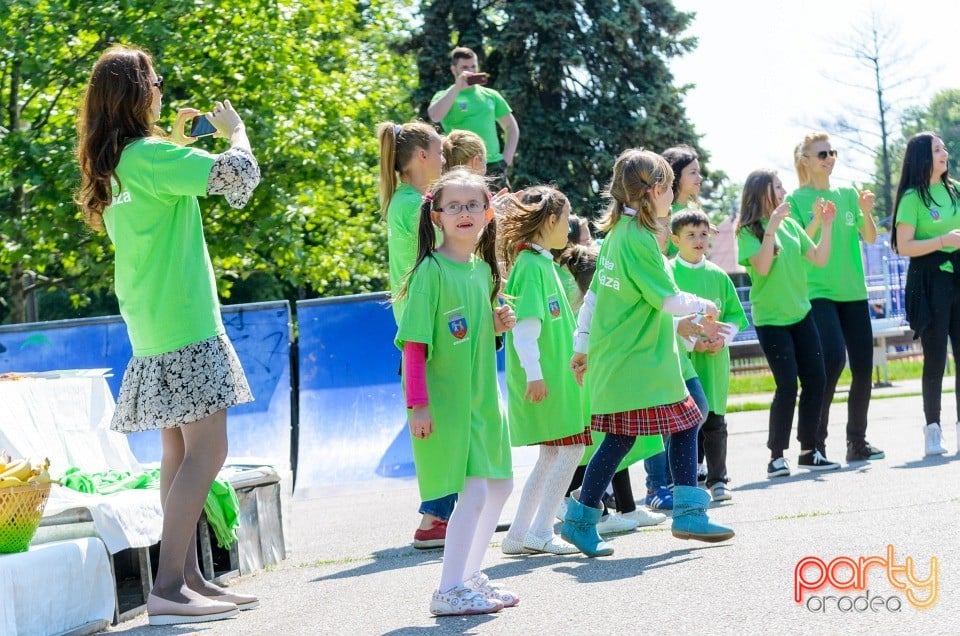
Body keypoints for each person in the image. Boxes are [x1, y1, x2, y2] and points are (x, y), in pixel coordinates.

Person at [76, 45, 260, 626]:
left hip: (152, 323)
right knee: (209, 451)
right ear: (136, 93)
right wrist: (237, 132)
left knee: (177, 452)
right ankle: (169, 585)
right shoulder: (150, 156)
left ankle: (189, 579)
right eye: (152, 80)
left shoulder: (117, 164)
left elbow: (167, 193)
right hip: (185, 321)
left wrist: (184, 143)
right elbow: (239, 177)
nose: (159, 87)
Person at [563, 149, 734, 558]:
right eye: (671, 187)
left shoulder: (616, 237)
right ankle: (686, 514)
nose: (674, 196)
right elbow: (669, 300)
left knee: (628, 435)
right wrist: (703, 305)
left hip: (629, 357)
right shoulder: (638, 241)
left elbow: (595, 299)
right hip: (639, 360)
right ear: (655, 190)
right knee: (688, 419)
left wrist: (582, 345)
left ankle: (582, 519)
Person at [395, 167, 518, 616]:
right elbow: (414, 346)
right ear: (436, 217)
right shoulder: (430, 272)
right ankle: (448, 589)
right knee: (475, 493)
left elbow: (478, 334)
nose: (464, 213)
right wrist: (418, 406)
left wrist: (498, 326)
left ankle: (469, 575)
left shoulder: (483, 270)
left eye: (473, 205)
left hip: (484, 400)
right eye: (454, 206)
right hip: (447, 404)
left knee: (501, 485)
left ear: (488, 213)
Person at [377, 121, 457, 549]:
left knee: (445, 426)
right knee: (442, 428)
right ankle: (434, 518)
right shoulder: (414, 206)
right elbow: (455, 245)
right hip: (426, 333)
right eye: (440, 152)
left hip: (424, 329)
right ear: (422, 157)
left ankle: (444, 513)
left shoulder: (408, 201)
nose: (444, 160)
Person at [498, 186, 589, 556]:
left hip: (552, 376)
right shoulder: (533, 267)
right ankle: (541, 530)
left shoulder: (539, 263)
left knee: (552, 454)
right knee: (573, 447)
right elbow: (525, 328)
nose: (569, 227)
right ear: (550, 220)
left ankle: (518, 534)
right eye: (566, 219)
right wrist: (535, 374)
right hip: (547, 379)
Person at [787, 132, 884, 464]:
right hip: (818, 293)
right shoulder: (796, 199)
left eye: (832, 152)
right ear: (806, 161)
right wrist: (816, 218)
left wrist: (866, 211)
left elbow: (870, 237)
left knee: (863, 366)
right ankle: (814, 443)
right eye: (822, 154)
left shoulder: (847, 194)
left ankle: (857, 441)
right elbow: (799, 245)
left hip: (853, 292)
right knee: (831, 361)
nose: (830, 158)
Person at [736, 170, 839, 478]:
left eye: (782, 186)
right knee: (787, 384)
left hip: (801, 314)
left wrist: (828, 225)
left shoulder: (793, 225)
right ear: (761, 192)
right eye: (777, 186)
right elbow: (764, 267)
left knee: (817, 380)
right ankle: (776, 456)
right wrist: (772, 229)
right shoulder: (747, 231)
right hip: (772, 320)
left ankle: (810, 451)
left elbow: (819, 258)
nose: (783, 191)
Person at [668, 209, 749, 502]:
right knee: (683, 424)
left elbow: (737, 316)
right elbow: (663, 320)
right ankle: (680, 483)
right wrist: (693, 343)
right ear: (675, 239)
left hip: (714, 363)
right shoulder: (668, 274)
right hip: (681, 364)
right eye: (691, 234)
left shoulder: (718, 275)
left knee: (715, 421)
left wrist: (721, 340)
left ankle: (718, 479)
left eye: (703, 234)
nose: (699, 240)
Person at [892, 131, 960, 456]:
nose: (944, 153)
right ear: (922, 157)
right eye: (937, 149)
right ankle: (933, 430)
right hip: (929, 286)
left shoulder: (956, 190)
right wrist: (943, 240)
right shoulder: (912, 198)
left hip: (958, 279)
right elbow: (903, 246)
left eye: (944, 148)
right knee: (934, 360)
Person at [428, 47, 519, 190]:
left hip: (492, 164)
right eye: (464, 67)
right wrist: (457, 88)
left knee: (501, 210)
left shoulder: (491, 95)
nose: (470, 70)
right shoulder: (445, 95)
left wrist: (506, 159)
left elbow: (511, 127)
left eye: (473, 66)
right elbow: (434, 115)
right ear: (454, 70)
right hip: (459, 165)